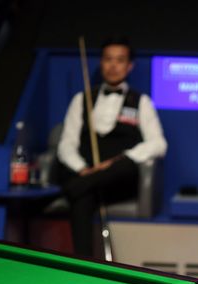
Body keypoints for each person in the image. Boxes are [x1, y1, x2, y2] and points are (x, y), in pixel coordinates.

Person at [56, 36, 167, 257]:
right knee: (83, 196)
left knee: (126, 165)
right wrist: (83, 170)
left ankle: (72, 187)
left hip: (118, 181)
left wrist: (115, 162)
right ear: (101, 63)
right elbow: (66, 145)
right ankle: (83, 266)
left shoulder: (141, 102)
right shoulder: (82, 99)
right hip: (86, 175)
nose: (113, 66)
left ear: (129, 66)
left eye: (120, 60)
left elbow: (159, 144)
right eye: (108, 59)